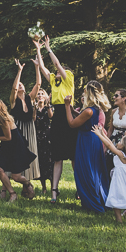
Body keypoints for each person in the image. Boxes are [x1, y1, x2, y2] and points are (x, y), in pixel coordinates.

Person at [36, 36, 75, 202]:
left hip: (69, 114)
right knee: (57, 157)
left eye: (60, 70)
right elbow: (44, 68)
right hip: (57, 118)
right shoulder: (54, 81)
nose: (57, 71)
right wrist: (38, 49)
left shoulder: (69, 79)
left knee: (73, 157)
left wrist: (48, 48)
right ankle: (54, 192)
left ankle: (80, 189)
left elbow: (57, 64)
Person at [65, 80, 112, 213]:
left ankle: (93, 204)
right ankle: (95, 200)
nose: (83, 93)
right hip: (90, 139)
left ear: (89, 93)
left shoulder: (89, 111)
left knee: (86, 171)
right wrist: (74, 110)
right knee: (93, 170)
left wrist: (67, 106)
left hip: (87, 141)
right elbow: (81, 117)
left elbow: (72, 124)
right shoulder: (94, 109)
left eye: (85, 90)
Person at [0, 97, 37, 202]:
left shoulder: (3, 119)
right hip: (6, 146)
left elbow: (9, 137)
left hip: (16, 146)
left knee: (16, 177)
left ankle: (27, 184)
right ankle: (12, 193)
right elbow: (0, 132)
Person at [9, 59, 41, 188]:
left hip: (30, 128)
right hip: (18, 129)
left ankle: (26, 182)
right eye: (19, 84)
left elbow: (38, 84)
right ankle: (11, 180)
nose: (20, 85)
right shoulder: (13, 100)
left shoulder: (30, 97)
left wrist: (37, 67)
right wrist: (19, 71)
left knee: (29, 152)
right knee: (17, 153)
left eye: (22, 84)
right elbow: (14, 87)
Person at [33, 87, 55, 195]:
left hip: (48, 137)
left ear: (45, 96)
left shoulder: (49, 107)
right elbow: (33, 119)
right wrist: (34, 107)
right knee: (40, 161)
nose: (40, 95)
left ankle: (52, 187)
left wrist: (48, 104)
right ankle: (44, 187)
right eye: (38, 94)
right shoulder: (34, 108)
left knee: (49, 162)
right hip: (38, 137)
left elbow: (51, 116)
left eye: (42, 94)